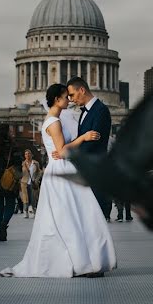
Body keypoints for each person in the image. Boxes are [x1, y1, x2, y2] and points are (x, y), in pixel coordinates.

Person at [0, 83, 116, 277]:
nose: (69, 100)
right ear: (56, 99)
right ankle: (79, 260)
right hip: (62, 168)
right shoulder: (54, 122)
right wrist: (84, 137)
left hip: (59, 168)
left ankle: (77, 259)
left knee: (66, 216)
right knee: (77, 215)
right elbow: (62, 151)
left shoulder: (53, 119)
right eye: (65, 96)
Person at [66, 77, 112, 221]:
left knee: (96, 218)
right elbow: (84, 139)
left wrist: (69, 154)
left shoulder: (101, 110)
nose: (71, 99)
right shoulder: (85, 112)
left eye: (72, 95)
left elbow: (94, 143)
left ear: (82, 90)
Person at [0, 124, 22, 241]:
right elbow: (18, 164)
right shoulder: (12, 146)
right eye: (10, 131)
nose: (12, 133)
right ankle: (4, 225)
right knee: (10, 204)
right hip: (10, 181)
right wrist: (18, 179)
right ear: (6, 132)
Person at [20, 149, 41, 218]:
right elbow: (20, 173)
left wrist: (37, 179)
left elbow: (39, 172)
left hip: (33, 183)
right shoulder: (22, 164)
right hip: (24, 183)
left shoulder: (36, 163)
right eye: (26, 154)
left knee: (33, 198)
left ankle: (34, 211)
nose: (27, 155)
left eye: (29, 154)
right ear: (24, 155)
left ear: (31, 155)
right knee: (25, 198)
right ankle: (25, 212)